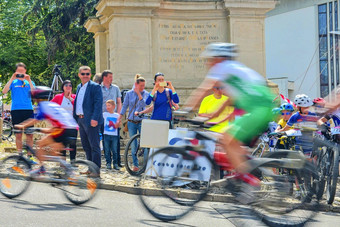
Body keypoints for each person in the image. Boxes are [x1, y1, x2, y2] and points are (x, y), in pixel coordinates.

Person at [183, 43, 276, 201]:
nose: (208, 63)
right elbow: (229, 101)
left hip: (258, 108)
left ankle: (250, 181)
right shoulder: (234, 71)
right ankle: (241, 176)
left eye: (210, 59)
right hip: (262, 106)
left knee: (227, 139)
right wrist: (210, 117)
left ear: (218, 58)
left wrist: (185, 110)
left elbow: (204, 89)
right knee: (228, 141)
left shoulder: (222, 67)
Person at [15, 86, 78, 175]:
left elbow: (34, 119)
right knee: (54, 150)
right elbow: (56, 125)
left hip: (63, 129)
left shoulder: (43, 106)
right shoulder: (53, 105)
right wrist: (40, 129)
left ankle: (42, 168)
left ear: (36, 98)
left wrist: (21, 126)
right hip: (72, 128)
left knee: (39, 143)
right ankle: (67, 171)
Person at [2, 62, 35, 161]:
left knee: (29, 134)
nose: (21, 73)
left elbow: (34, 94)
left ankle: (29, 156)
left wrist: (28, 80)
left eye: (22, 71)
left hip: (28, 110)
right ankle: (20, 156)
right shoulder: (13, 82)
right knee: (18, 134)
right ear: (16, 71)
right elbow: (4, 91)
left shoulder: (30, 82)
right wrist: (12, 78)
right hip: (16, 110)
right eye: (18, 71)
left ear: (25, 71)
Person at [74, 66, 103, 170]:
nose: (85, 76)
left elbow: (98, 104)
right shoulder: (78, 87)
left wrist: (95, 118)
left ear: (90, 75)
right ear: (79, 75)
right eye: (83, 74)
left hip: (91, 120)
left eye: (87, 74)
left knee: (94, 146)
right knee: (86, 146)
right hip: (81, 120)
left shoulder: (95, 86)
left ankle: (96, 170)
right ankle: (90, 168)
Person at [117, 75, 149, 171]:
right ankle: (135, 165)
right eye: (141, 85)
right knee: (133, 144)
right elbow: (125, 106)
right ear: (136, 84)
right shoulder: (129, 94)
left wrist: (139, 94)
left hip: (142, 121)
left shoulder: (146, 94)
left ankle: (145, 166)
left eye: (144, 86)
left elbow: (145, 105)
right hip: (131, 122)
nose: (142, 87)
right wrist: (120, 117)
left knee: (145, 144)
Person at [51, 80, 77, 164]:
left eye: (70, 85)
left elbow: (78, 108)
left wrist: (70, 99)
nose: (68, 87)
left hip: (72, 125)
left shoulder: (74, 97)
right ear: (63, 87)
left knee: (72, 144)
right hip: (61, 125)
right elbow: (50, 106)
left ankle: (73, 161)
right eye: (66, 85)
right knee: (62, 144)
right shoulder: (58, 97)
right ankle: (63, 162)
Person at [101, 70, 122, 167]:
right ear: (104, 77)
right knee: (106, 142)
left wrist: (119, 115)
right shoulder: (98, 88)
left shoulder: (116, 88)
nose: (112, 79)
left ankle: (117, 162)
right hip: (103, 118)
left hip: (114, 118)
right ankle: (108, 162)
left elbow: (119, 102)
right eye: (110, 77)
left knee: (116, 142)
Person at [103, 100, 120, 170]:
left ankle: (115, 163)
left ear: (113, 106)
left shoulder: (117, 115)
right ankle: (108, 163)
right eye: (106, 106)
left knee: (114, 150)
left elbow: (119, 124)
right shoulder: (104, 114)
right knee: (106, 150)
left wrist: (117, 124)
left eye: (109, 105)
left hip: (114, 135)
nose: (107, 107)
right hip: (106, 134)